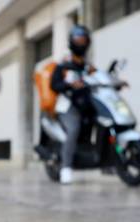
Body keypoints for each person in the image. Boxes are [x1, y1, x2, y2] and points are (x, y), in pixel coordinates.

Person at [51, 25, 95, 184]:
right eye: (77, 39)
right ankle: (66, 168)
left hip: (87, 106)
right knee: (74, 129)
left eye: (83, 40)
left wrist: (116, 82)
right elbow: (54, 84)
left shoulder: (87, 65)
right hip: (68, 106)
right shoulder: (64, 64)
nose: (80, 43)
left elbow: (99, 77)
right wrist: (70, 85)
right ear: (71, 41)